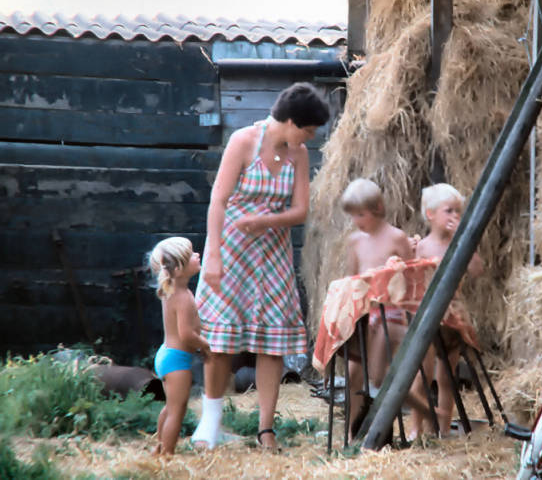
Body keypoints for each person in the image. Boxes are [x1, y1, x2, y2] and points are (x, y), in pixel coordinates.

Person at [191, 82, 330, 451]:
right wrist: (213, 257)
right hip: (231, 249)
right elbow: (218, 201)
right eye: (309, 128)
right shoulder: (242, 141)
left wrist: (264, 223)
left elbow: (300, 210)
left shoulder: (298, 154)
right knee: (220, 340)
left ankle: (265, 429)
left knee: (272, 343)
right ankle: (211, 421)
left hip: (273, 252)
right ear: (290, 120)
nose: (312, 136)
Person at [409, 183, 484, 439]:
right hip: (427, 315)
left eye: (458, 212)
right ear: (430, 215)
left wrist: (464, 240)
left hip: (453, 315)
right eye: (449, 211)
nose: (455, 216)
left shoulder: (460, 244)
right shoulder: (421, 247)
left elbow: (477, 270)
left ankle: (442, 430)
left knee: (447, 377)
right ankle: (416, 429)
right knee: (422, 374)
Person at [340, 178, 415, 434]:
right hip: (365, 316)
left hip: (392, 314)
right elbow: (352, 281)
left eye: (361, 214)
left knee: (377, 373)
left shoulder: (397, 237)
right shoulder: (355, 241)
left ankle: (381, 426)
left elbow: (412, 278)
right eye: (353, 215)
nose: (357, 221)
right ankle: (352, 430)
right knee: (352, 376)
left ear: (378, 208)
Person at [147, 236, 211, 455]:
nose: (198, 255)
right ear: (179, 268)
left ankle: (159, 447)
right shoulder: (183, 296)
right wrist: (205, 345)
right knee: (177, 410)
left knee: (169, 407)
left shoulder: (172, 291)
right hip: (177, 360)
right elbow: (186, 334)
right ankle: (167, 454)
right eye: (192, 254)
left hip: (166, 355)